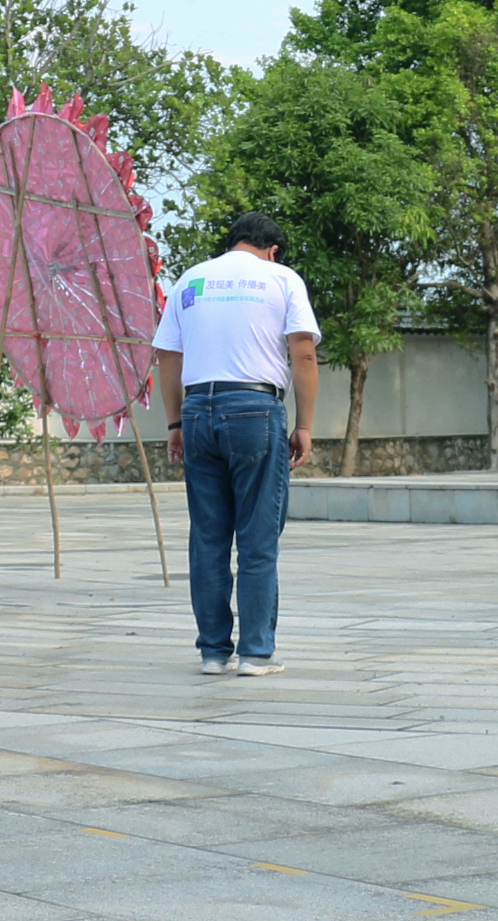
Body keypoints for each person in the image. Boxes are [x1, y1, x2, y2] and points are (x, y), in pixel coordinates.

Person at [152, 210, 321, 679]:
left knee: (207, 537)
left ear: (232, 243)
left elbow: (167, 354)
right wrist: (304, 425)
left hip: (196, 411)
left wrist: (174, 423)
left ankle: (212, 652)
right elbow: (303, 351)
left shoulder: (191, 279)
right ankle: (255, 653)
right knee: (257, 538)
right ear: (273, 249)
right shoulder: (281, 278)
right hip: (253, 408)